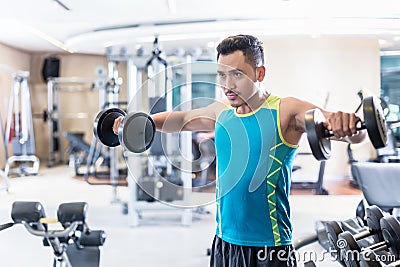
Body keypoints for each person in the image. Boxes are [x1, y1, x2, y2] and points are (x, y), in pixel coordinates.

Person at [113, 34, 366, 266]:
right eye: (222, 75)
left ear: (260, 73)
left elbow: (348, 129)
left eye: (236, 74)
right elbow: (180, 119)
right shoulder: (221, 111)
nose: (227, 84)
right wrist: (135, 122)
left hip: (270, 247)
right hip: (224, 242)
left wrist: (352, 127)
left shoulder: (286, 110)